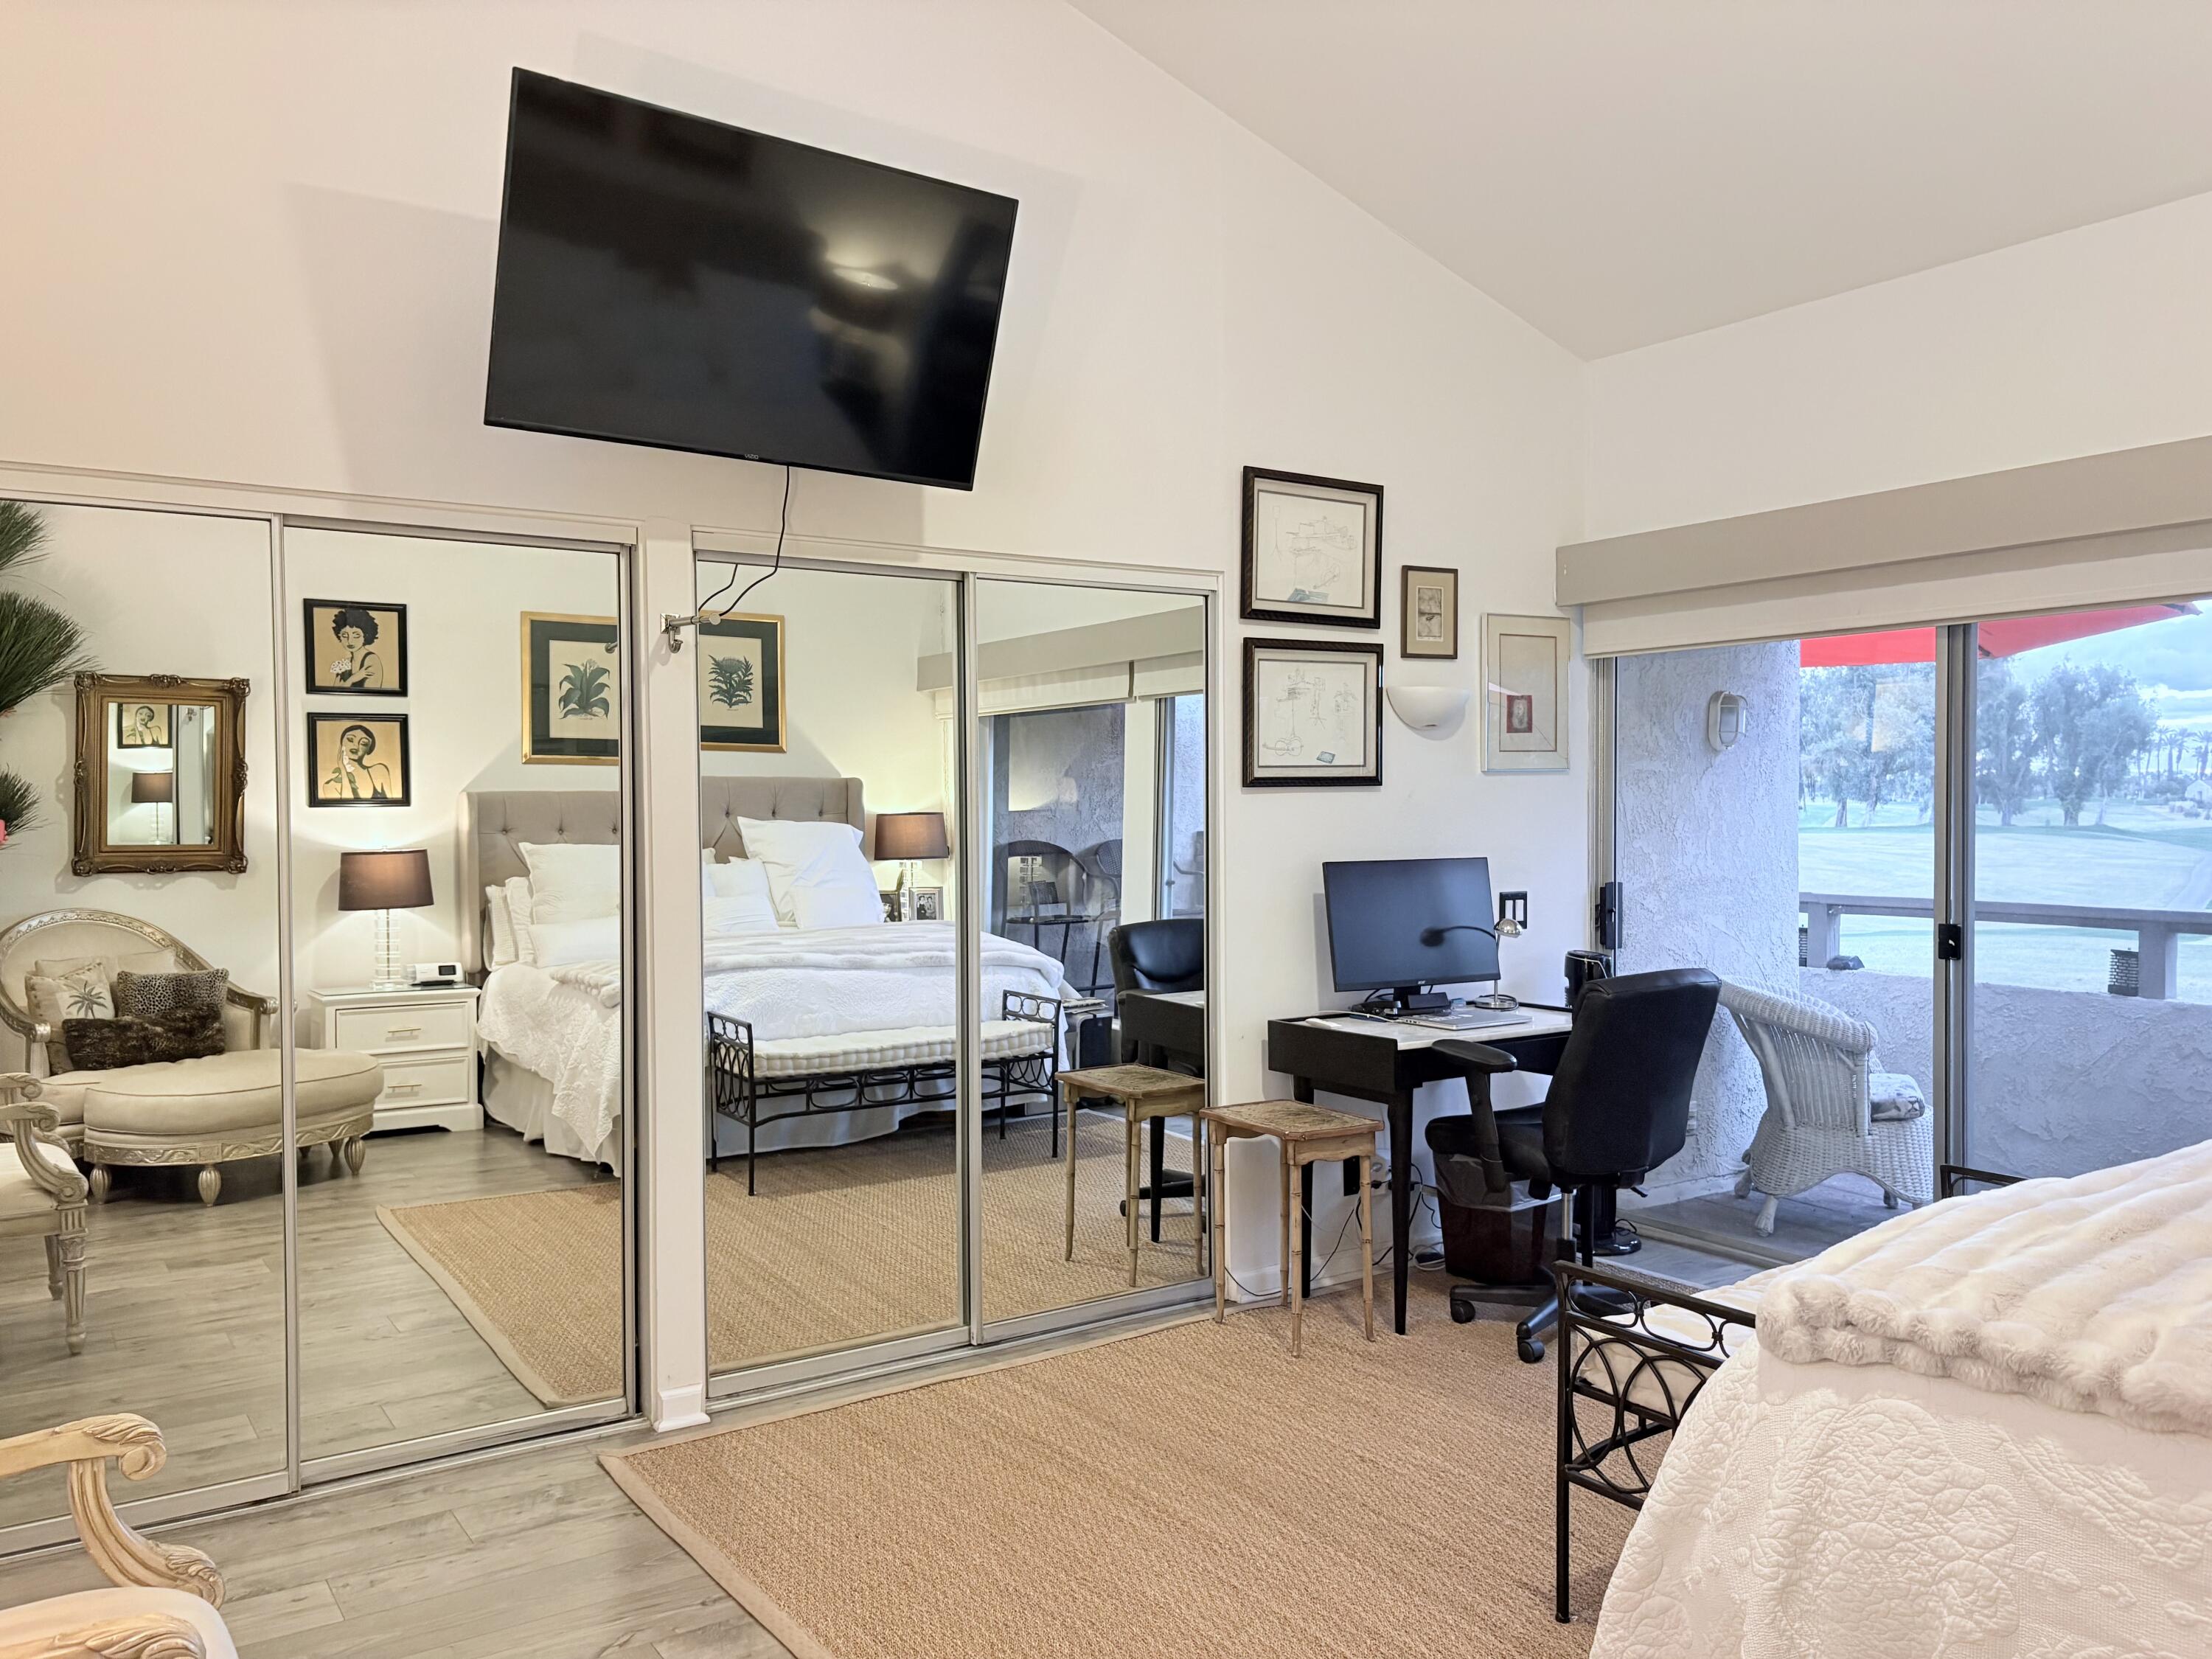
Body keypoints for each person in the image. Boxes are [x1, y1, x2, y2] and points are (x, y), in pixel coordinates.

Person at [324, 723, 394, 801]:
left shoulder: (379, 771)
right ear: (342, 743)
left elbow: (394, 806)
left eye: (363, 743)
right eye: (350, 739)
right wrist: (343, 771)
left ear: (369, 750)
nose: (356, 745)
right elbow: (346, 809)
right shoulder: (330, 786)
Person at [327, 606, 386, 689]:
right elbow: (335, 692)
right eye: (344, 636)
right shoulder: (345, 663)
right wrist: (352, 680)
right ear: (339, 636)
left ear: (366, 636)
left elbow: (370, 696)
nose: (350, 641)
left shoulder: (372, 660)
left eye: (356, 636)